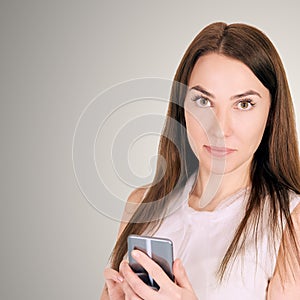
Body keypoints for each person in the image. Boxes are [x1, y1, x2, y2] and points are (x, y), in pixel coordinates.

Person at [101, 22, 300, 299]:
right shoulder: (142, 204)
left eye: (243, 104)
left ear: (272, 113)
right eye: (203, 101)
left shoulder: (292, 222)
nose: (220, 128)